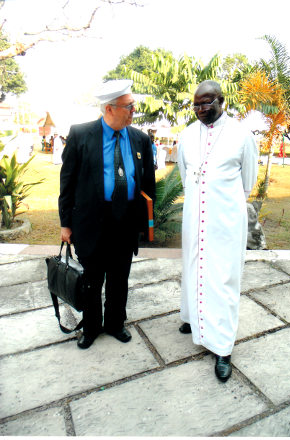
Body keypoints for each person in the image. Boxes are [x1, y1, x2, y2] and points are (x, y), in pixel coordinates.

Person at [59, 79, 156, 349]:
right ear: (110, 109)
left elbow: (148, 184)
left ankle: (115, 323)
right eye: (129, 106)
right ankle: (91, 327)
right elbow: (66, 182)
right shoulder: (80, 135)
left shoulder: (140, 139)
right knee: (92, 279)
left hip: (125, 222)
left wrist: (146, 221)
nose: (134, 110)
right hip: (91, 222)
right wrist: (65, 223)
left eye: (134, 105)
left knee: (119, 278)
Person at [177, 80, 258, 382]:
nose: (200, 109)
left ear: (221, 101)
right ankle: (191, 320)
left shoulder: (241, 134)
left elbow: (247, 181)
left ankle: (223, 347)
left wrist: (219, 201)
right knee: (192, 267)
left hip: (225, 218)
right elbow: (187, 176)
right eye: (196, 104)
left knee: (222, 278)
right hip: (193, 216)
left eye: (206, 102)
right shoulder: (186, 135)